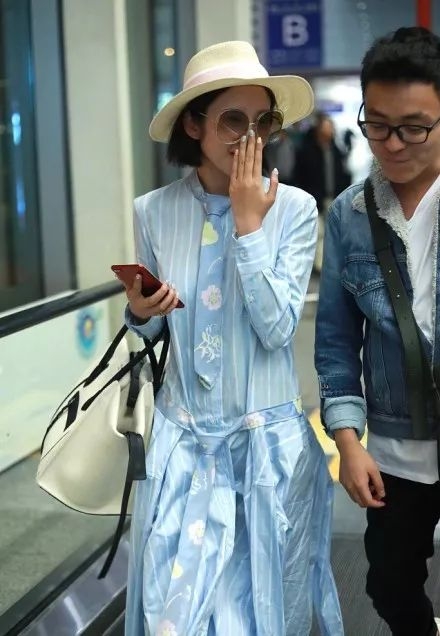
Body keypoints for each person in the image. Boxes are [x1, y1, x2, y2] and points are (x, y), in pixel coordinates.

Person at [121, 40, 343, 635]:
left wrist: (249, 225)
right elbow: (158, 328)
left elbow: (277, 328)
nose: (250, 137)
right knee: (175, 615)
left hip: (266, 454)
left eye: (262, 121)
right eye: (232, 120)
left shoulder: (293, 210)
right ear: (194, 125)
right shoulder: (153, 211)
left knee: (265, 612)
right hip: (183, 448)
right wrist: (141, 312)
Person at [315, 26, 440, 636]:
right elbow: (337, 341)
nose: (392, 144)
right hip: (393, 451)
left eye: (414, 127)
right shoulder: (350, 215)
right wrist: (347, 440)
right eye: (378, 124)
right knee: (389, 585)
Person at [293, 112, 351, 272]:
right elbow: (300, 176)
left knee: (333, 232)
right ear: (318, 130)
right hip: (314, 198)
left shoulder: (336, 151)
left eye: (330, 128)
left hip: (334, 197)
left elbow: (343, 174)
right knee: (317, 232)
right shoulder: (307, 151)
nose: (328, 131)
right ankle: (319, 265)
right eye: (325, 128)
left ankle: (328, 263)